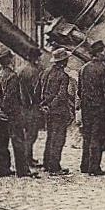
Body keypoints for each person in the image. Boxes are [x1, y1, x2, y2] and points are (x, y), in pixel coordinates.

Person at [0, 47, 32, 178]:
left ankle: (3, 169)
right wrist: (11, 112)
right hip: (12, 115)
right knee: (18, 141)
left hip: (1, 115)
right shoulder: (12, 77)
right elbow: (11, 98)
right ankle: (22, 170)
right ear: (9, 60)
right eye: (11, 58)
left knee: (2, 143)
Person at [77, 40, 105, 176]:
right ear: (98, 54)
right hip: (99, 108)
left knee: (87, 136)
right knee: (97, 137)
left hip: (86, 107)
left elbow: (79, 91)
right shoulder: (103, 68)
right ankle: (94, 167)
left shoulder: (84, 68)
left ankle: (84, 165)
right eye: (104, 51)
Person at [40, 47, 73, 175]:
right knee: (58, 138)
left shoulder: (46, 72)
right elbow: (61, 95)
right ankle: (55, 167)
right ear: (63, 61)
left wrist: (45, 105)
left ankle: (46, 163)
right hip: (58, 111)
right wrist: (53, 106)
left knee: (50, 137)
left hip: (47, 110)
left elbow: (41, 90)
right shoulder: (63, 76)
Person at [16, 49, 43, 167]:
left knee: (26, 133)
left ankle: (27, 157)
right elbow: (36, 91)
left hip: (22, 106)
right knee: (32, 134)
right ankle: (27, 159)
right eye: (38, 58)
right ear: (35, 58)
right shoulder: (34, 71)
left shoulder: (20, 69)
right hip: (32, 107)